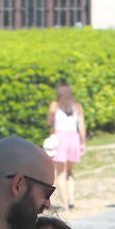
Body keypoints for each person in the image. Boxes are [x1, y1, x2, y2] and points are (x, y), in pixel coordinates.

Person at [47, 82, 86, 212]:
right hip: (73, 138)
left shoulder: (55, 106)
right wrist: (83, 142)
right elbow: (81, 126)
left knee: (60, 173)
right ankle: (72, 200)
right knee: (70, 172)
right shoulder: (77, 107)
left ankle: (64, 204)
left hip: (60, 139)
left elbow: (49, 122)